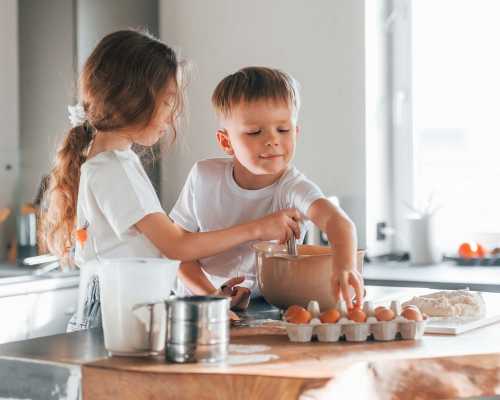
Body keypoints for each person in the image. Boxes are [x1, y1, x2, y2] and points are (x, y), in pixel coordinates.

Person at [42, 31, 301, 330]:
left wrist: (211, 297)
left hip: (120, 313)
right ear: (134, 98)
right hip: (115, 320)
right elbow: (175, 246)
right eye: (167, 103)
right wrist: (259, 227)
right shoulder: (114, 169)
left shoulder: (112, 163)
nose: (172, 116)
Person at [171, 66, 364, 310]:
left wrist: (345, 266)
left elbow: (339, 223)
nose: (272, 139)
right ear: (225, 141)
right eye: (254, 132)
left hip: (260, 308)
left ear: (296, 132)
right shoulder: (203, 177)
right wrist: (214, 296)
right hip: (195, 307)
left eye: (283, 129)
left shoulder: (294, 189)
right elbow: (178, 254)